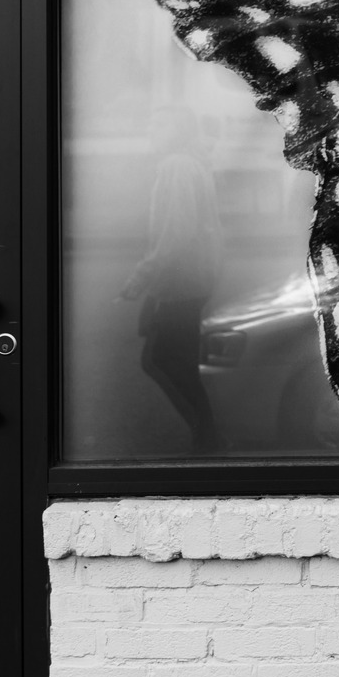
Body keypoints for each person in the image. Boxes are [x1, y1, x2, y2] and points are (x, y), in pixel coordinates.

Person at [121, 105, 224, 453]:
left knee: (161, 361)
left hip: (181, 282)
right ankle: (205, 435)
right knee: (174, 361)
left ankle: (206, 437)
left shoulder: (176, 166)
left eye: (157, 124)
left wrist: (139, 279)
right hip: (189, 281)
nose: (151, 130)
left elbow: (175, 233)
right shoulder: (193, 163)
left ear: (176, 130)